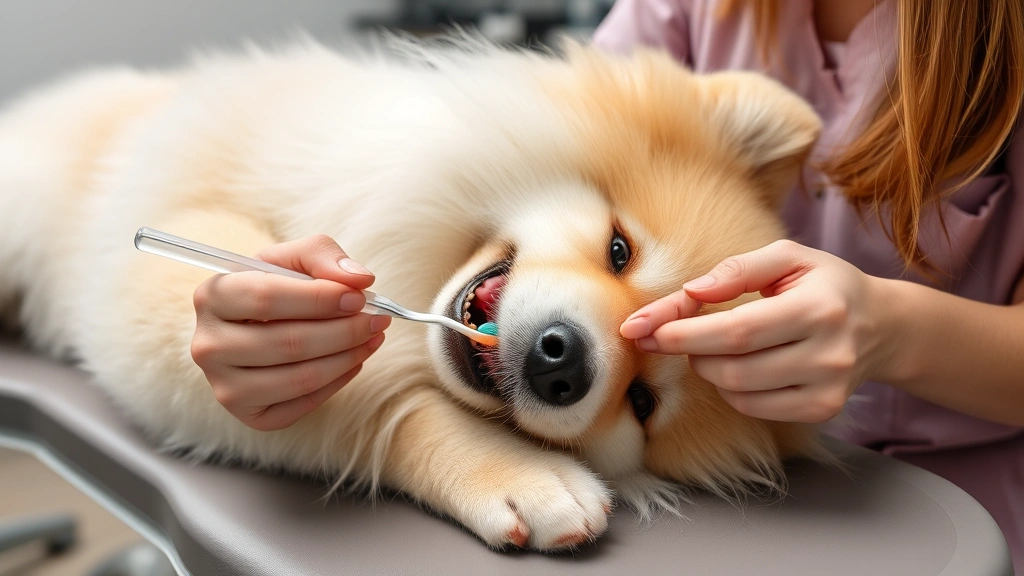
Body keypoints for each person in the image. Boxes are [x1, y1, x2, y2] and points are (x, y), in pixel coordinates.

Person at [189, 0, 1024, 569]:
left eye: (642, 401)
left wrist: (896, 330)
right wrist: (274, 339)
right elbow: (562, 120)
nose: (569, 355)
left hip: (964, 521)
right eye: (619, 253)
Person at [597, 0, 1024, 570]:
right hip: (714, 509)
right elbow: (555, 138)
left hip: (966, 517)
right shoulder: (688, 13)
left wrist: (893, 332)